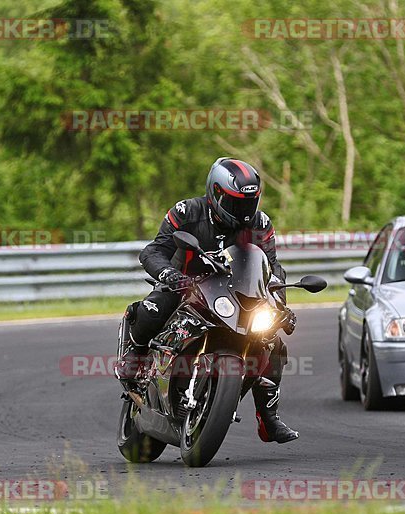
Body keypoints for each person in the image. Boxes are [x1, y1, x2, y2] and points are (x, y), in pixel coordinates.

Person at [114, 157, 300, 443]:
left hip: (237, 296)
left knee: (272, 343)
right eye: (235, 203)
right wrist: (169, 273)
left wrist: (280, 307)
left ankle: (268, 418)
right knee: (154, 309)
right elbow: (152, 251)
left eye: (247, 204)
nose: (243, 211)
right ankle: (135, 357)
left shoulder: (261, 224)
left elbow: (272, 269)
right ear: (215, 193)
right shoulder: (187, 211)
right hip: (186, 286)